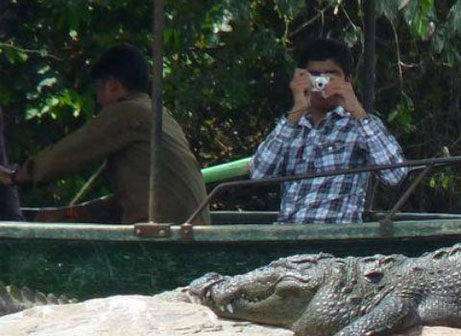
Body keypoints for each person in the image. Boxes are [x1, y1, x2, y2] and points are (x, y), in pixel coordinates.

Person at [0, 43, 210, 225]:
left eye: (98, 90)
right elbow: (129, 199)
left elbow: (68, 154)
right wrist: (72, 213)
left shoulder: (127, 112)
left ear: (113, 85)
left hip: (166, 237)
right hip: (188, 228)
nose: (98, 101)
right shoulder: (158, 114)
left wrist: (16, 176)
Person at [250, 37, 407, 223]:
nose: (322, 83)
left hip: (337, 240)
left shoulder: (360, 126)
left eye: (331, 76)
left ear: (348, 80)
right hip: (289, 238)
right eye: (314, 76)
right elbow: (259, 175)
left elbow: (395, 175)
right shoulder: (290, 127)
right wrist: (297, 109)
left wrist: (355, 108)